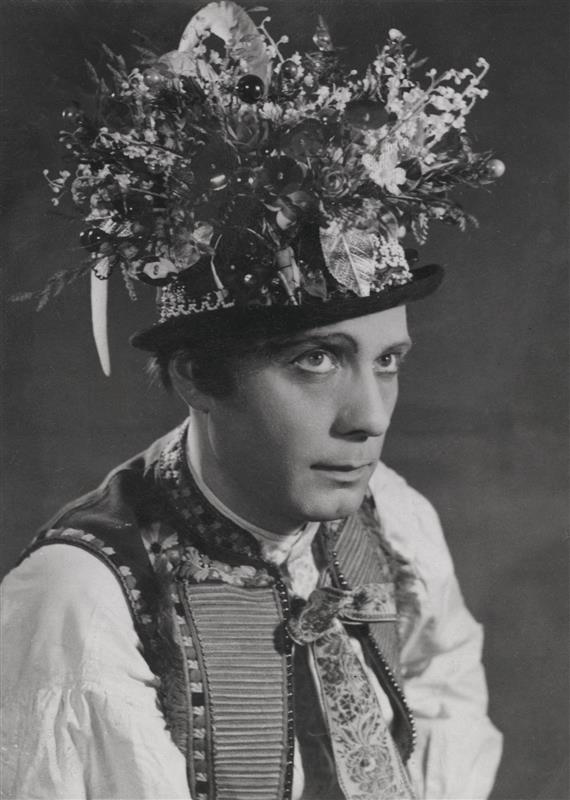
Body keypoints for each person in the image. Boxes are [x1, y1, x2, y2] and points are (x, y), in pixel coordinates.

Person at [1, 3, 504, 798]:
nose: (370, 418)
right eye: (315, 360)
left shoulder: (391, 518)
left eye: (388, 361)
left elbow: (447, 699)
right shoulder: (81, 601)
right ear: (197, 377)